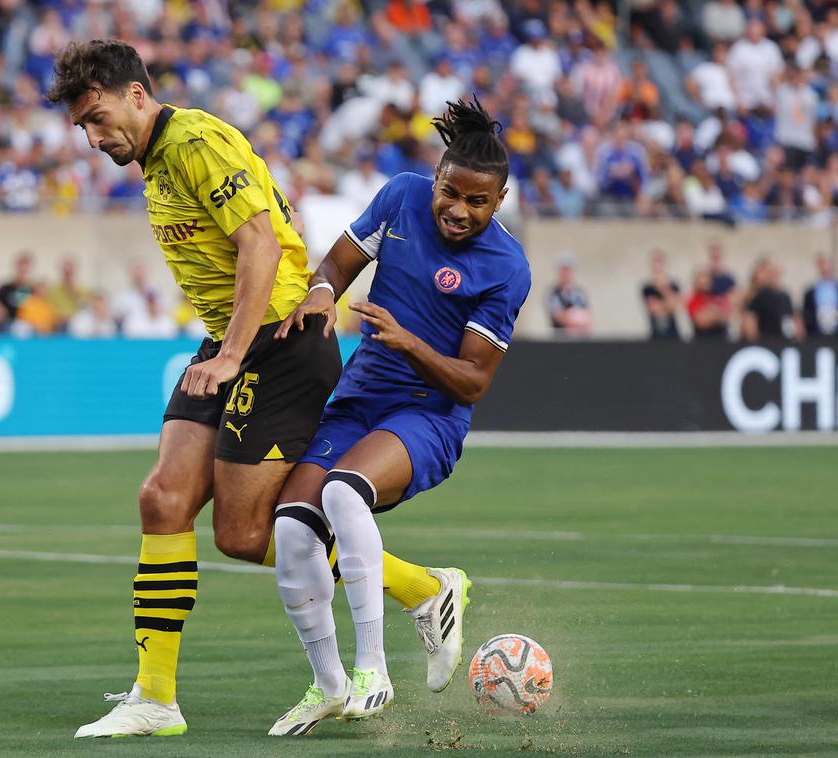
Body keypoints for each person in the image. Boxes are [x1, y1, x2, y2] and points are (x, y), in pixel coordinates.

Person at [46, 40, 448, 739]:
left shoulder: (197, 140)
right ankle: (156, 698)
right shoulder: (159, 160)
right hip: (233, 339)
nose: (92, 135)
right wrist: (227, 345)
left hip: (279, 345)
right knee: (162, 498)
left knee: (242, 535)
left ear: (137, 94)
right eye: (82, 125)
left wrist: (233, 354)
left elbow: (261, 244)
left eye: (98, 116)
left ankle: (425, 587)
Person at [267, 99, 531, 735]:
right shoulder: (400, 198)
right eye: (450, 193)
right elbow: (333, 265)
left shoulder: (506, 268)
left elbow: (471, 383)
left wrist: (409, 339)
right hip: (360, 400)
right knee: (292, 530)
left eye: (477, 202)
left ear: (499, 202)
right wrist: (325, 295)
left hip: (428, 416)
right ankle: (329, 685)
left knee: (342, 492)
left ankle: (373, 672)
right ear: (435, 177)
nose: (458, 211)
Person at [741, 258, 802, 342]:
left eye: (776, 272)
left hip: (783, 342)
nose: (774, 276)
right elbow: (750, 321)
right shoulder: (759, 296)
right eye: (771, 272)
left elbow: (794, 320)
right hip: (766, 342)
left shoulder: (785, 296)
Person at [802, 255, 838, 339]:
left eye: (827, 264)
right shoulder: (810, 292)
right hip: (816, 336)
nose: (825, 268)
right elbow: (807, 315)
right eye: (822, 264)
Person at [547, 253, 591, 337]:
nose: (566, 273)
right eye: (563, 270)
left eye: (568, 270)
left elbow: (587, 318)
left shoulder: (579, 293)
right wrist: (575, 318)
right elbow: (558, 316)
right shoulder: (553, 294)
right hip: (560, 339)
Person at [0, 251, 34, 332]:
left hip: (27, 324)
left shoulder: (32, 289)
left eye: (25, 269)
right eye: (20, 268)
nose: (22, 272)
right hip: (7, 323)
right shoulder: (6, 288)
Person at [642, 250, 681, 340]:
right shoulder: (647, 288)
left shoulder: (674, 286)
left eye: (660, 262)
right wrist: (666, 304)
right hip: (655, 336)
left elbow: (673, 307)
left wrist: (662, 287)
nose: (658, 266)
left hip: (674, 336)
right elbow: (654, 309)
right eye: (656, 263)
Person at [687, 268, 731, 339]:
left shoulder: (719, 297)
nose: (703, 287)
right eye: (701, 284)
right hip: (701, 339)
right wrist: (715, 314)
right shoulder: (692, 300)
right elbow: (700, 322)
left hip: (721, 338)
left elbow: (725, 319)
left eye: (705, 283)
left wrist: (710, 314)